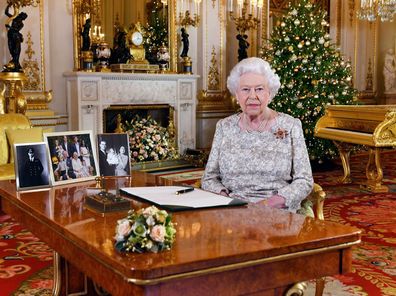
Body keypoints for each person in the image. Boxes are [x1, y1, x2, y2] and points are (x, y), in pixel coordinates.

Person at [201, 57, 313, 213]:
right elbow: (209, 178)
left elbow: (304, 180)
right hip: (233, 210)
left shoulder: (291, 125)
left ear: (269, 93)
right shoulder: (224, 127)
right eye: (245, 89)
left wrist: (270, 203)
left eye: (259, 89)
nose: (252, 96)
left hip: (277, 211)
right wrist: (224, 197)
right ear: (236, 94)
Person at [4, 5, 28, 72]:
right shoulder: (14, 17)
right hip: (10, 35)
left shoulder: (21, 24)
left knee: (15, 51)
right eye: (23, 16)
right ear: (21, 15)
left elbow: (16, 29)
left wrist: (9, 27)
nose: (23, 18)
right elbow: (6, 12)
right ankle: (16, 64)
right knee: (10, 48)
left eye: (24, 18)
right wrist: (8, 5)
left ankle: (16, 65)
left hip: (15, 36)